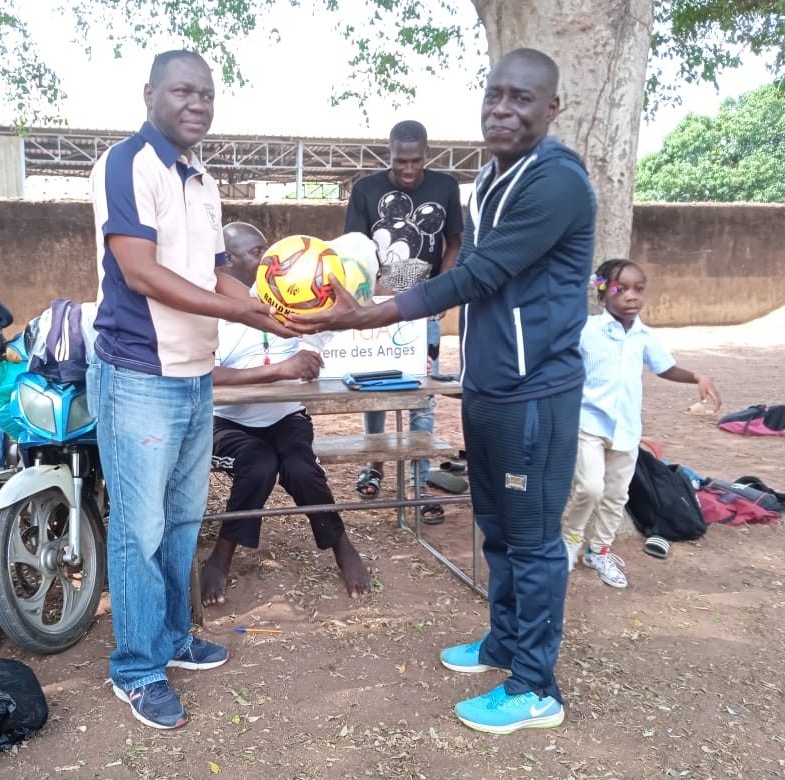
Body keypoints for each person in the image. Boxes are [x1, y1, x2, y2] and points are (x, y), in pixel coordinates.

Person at [287, 48, 596, 734]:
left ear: (553, 108)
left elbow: (475, 276)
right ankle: (503, 644)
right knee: (495, 530)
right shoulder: (490, 176)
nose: (503, 109)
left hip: (535, 391)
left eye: (522, 98)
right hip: (486, 384)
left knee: (534, 540)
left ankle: (534, 687)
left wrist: (364, 314)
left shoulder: (557, 183)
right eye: (495, 95)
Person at [87, 50, 294, 731]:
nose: (197, 103)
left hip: (193, 379)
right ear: (151, 94)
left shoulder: (201, 179)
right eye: (183, 90)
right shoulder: (127, 165)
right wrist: (236, 312)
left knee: (179, 523)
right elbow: (140, 272)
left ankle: (174, 640)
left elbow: (215, 277)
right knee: (139, 529)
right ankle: (138, 669)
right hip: (138, 376)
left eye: (206, 93)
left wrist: (273, 310)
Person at [201, 222, 373, 606]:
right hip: (228, 423)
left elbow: (355, 256)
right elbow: (207, 376)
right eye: (258, 251)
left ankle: (342, 546)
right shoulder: (214, 313)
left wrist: (347, 283)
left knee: (300, 468)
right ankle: (221, 557)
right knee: (259, 466)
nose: (273, 259)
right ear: (227, 261)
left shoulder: (300, 300)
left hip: (287, 418)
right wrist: (281, 370)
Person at [562, 259, 721, 588]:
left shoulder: (644, 336)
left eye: (639, 289)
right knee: (590, 487)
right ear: (602, 291)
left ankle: (599, 550)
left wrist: (696, 377)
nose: (632, 297)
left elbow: (663, 367)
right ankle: (569, 541)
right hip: (588, 424)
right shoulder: (586, 329)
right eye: (623, 289)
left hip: (626, 429)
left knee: (617, 495)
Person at [344, 120, 462, 518]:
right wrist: (375, 298)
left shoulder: (445, 187)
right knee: (374, 389)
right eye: (399, 162)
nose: (408, 170)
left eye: (415, 161)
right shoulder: (365, 189)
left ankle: (417, 481)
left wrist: (443, 288)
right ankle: (374, 465)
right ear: (388, 154)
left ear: (427, 154)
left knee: (421, 394)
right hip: (377, 308)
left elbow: (454, 242)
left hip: (425, 309)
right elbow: (354, 250)